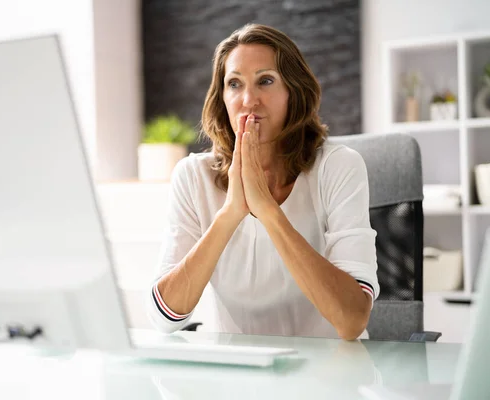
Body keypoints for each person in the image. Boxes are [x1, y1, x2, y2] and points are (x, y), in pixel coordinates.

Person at [146, 23, 379, 340]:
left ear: (292, 93)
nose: (248, 100)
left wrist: (268, 211)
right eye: (234, 84)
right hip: (239, 377)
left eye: (265, 81)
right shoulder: (192, 176)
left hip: (328, 375)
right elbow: (164, 317)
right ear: (222, 99)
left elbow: (352, 321)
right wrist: (230, 213)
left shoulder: (338, 167)